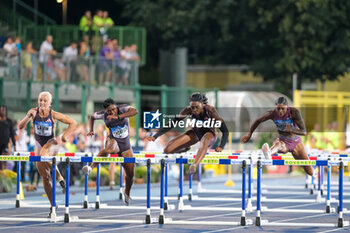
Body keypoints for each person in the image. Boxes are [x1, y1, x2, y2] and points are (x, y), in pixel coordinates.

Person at [18, 91, 77, 218]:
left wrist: (65, 136)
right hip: (38, 143)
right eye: (40, 100)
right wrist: (28, 116)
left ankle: (60, 177)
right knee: (45, 178)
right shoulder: (33, 113)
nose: (42, 103)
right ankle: (53, 205)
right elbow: (20, 126)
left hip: (51, 142)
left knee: (44, 153)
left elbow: (73, 122)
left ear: (50, 103)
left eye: (45, 101)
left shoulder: (53, 114)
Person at [147, 92, 229, 175]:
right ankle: (183, 150)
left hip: (210, 134)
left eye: (197, 107)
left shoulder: (210, 110)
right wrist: (156, 136)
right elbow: (172, 123)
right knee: (167, 150)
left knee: (205, 139)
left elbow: (225, 131)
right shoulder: (187, 110)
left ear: (202, 104)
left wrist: (221, 146)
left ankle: (194, 166)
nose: (194, 110)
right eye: (192, 107)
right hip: (196, 133)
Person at [240, 96, 316, 177]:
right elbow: (258, 120)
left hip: (296, 142)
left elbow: (304, 131)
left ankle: (270, 152)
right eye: (278, 108)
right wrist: (249, 134)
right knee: (279, 145)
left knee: (310, 172)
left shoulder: (294, 112)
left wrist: (291, 129)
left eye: (282, 108)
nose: (280, 111)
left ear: (287, 107)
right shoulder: (272, 114)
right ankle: (269, 152)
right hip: (283, 140)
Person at [82, 98, 138, 205]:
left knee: (130, 175)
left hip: (126, 146)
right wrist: (91, 130)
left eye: (113, 109)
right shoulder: (103, 115)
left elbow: (135, 111)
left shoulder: (123, 108)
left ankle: (126, 193)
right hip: (113, 140)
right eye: (109, 111)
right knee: (110, 148)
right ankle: (91, 167)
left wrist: (118, 116)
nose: (111, 112)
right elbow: (92, 116)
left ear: (116, 106)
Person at [0, 105, 16, 170]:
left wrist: (14, 145)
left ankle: (4, 174)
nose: (3, 111)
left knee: (5, 159)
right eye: (1, 110)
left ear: (6, 111)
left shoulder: (9, 121)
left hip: (6, 144)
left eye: (4, 110)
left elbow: (12, 134)